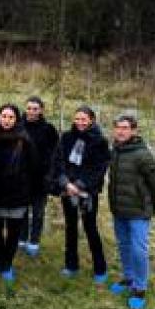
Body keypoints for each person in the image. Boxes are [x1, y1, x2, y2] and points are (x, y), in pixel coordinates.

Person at [107, 114, 155, 309]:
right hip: (119, 210)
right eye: (118, 127)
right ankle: (129, 277)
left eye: (125, 128)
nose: (121, 131)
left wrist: (150, 207)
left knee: (139, 250)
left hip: (138, 213)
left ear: (133, 130)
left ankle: (140, 287)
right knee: (124, 246)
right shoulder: (115, 151)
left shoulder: (142, 155)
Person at [0, 104, 39, 283]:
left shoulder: (25, 140)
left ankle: (7, 264)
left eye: (11, 117)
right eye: (4, 116)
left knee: (13, 232)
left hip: (17, 194)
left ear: (16, 120)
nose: (6, 120)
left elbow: (33, 166)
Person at [53, 106, 111, 283]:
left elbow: (99, 168)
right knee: (70, 227)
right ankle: (71, 265)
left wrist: (79, 185)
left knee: (90, 227)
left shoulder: (100, 141)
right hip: (67, 189)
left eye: (84, 119)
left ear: (91, 120)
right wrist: (65, 183)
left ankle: (100, 268)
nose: (80, 122)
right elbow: (59, 161)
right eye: (77, 119)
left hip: (87, 192)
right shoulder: (66, 137)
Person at [19, 96, 59, 256]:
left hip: (41, 179)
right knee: (22, 210)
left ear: (41, 110)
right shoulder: (18, 126)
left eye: (35, 109)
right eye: (29, 108)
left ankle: (34, 241)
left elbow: (56, 154)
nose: (31, 112)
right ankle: (22, 238)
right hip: (21, 178)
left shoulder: (49, 129)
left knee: (38, 212)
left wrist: (50, 175)